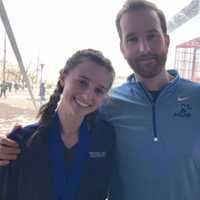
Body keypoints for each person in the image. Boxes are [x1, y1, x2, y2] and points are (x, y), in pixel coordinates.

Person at [1, 0, 200, 199]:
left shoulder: (197, 96)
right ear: (122, 48)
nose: (144, 48)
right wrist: (12, 141)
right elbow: (65, 122)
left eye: (152, 35)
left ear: (166, 40)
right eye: (132, 39)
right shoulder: (110, 102)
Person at [0, 48, 116, 200]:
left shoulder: (105, 138)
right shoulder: (21, 141)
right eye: (82, 82)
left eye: (99, 90)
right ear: (63, 77)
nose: (88, 95)